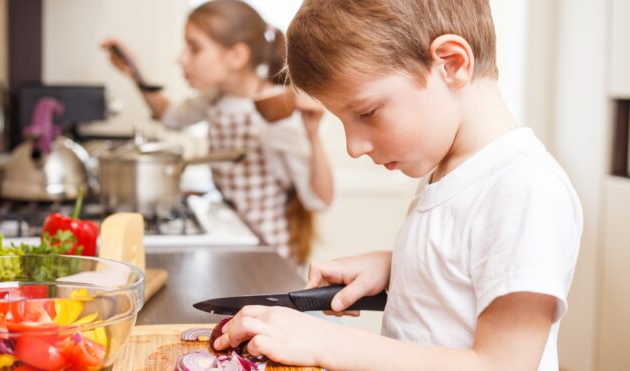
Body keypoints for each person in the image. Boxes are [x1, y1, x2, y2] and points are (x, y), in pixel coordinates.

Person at [212, 0, 583, 370]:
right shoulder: (452, 172)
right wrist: (399, 267)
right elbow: (468, 267)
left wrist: (326, 342)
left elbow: (502, 365)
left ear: (452, 64)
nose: (353, 147)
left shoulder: (523, 188)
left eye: (367, 113)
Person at [102, 0, 334, 263]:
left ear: (236, 56)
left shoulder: (274, 108)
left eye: (194, 48)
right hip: (233, 246)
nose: (181, 58)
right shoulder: (215, 98)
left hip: (269, 258)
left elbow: (319, 201)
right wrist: (136, 74)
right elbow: (171, 117)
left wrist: (312, 135)